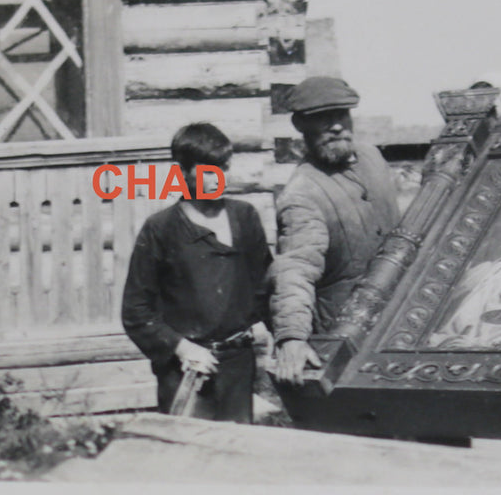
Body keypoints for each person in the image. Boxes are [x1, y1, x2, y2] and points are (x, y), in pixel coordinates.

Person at [121, 123, 272, 422]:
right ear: (182, 172)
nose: (218, 178)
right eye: (207, 170)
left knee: (239, 454)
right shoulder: (161, 229)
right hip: (187, 371)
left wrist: (274, 335)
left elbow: (266, 285)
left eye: (223, 168)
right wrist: (181, 348)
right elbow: (136, 312)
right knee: (188, 458)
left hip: (239, 368)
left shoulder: (245, 217)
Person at [270, 76, 401, 386]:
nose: (337, 127)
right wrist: (292, 337)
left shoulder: (372, 157)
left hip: (400, 317)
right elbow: (295, 269)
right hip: (346, 335)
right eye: (322, 120)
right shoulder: (302, 194)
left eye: (341, 115)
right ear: (300, 125)